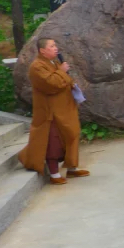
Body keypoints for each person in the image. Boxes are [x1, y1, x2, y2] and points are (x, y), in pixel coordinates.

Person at [18, 38, 87, 184]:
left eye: (55, 45)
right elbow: (50, 85)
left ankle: (71, 169)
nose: (56, 48)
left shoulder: (53, 63)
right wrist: (62, 72)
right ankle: (54, 175)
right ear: (42, 50)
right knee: (53, 142)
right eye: (52, 46)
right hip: (51, 112)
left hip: (65, 109)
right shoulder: (36, 66)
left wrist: (71, 84)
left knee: (71, 136)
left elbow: (63, 80)